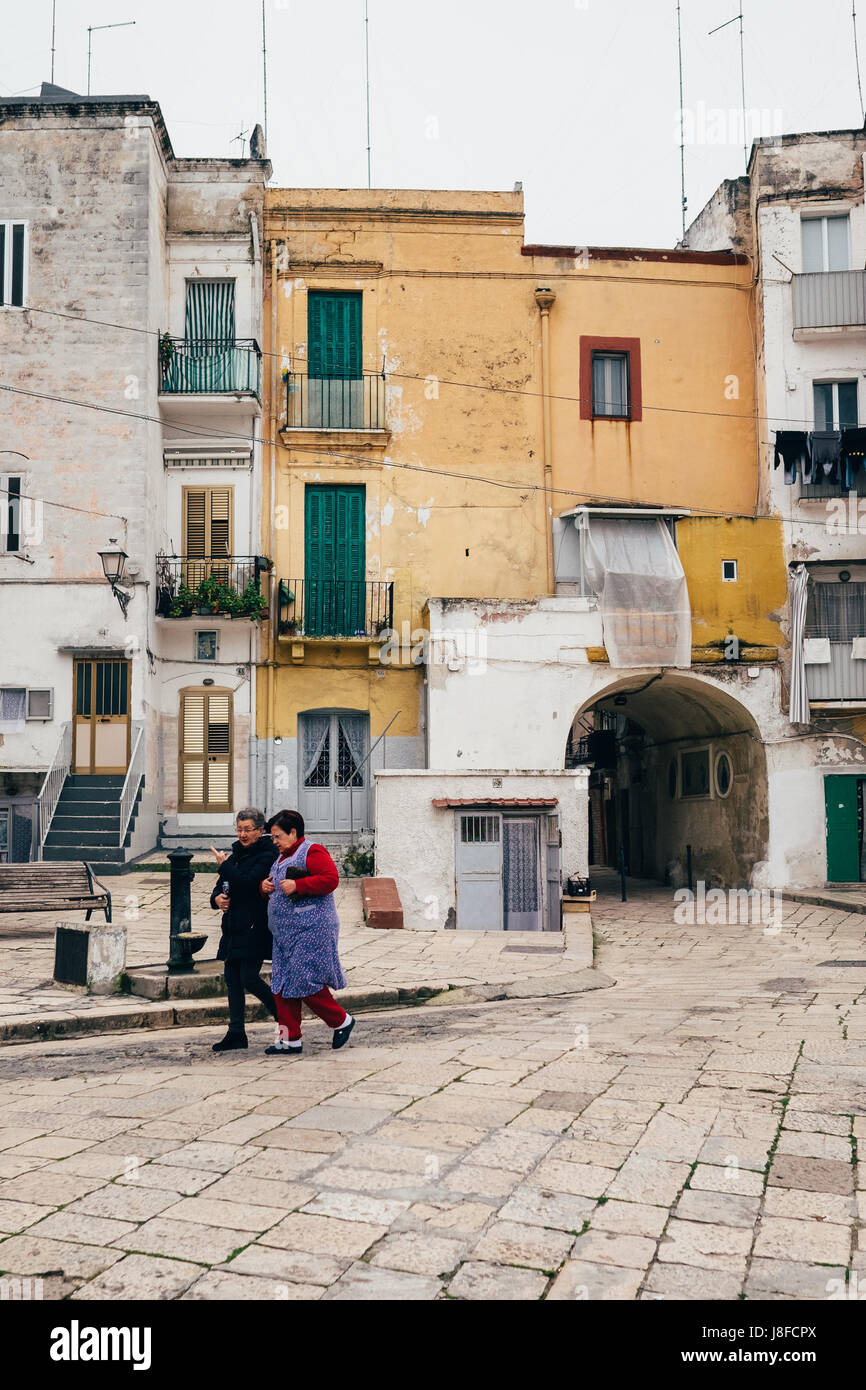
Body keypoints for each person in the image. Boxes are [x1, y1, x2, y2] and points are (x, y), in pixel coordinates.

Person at [261, 809, 354, 1056]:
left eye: (278, 836)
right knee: (281, 983)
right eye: (272, 837)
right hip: (285, 934)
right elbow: (275, 886)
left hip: (311, 928)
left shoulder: (312, 851)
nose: (274, 841)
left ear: (293, 833)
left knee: (304, 979)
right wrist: (265, 887)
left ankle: (341, 1021)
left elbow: (330, 879)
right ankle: (288, 1039)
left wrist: (299, 885)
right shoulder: (280, 857)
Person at [209, 807, 279, 1053]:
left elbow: (248, 883)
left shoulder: (267, 854)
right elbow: (222, 886)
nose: (242, 835)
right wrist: (217, 899)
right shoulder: (236, 853)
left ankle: (284, 1017)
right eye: (239, 829)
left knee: (249, 977)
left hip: (254, 924)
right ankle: (236, 1032)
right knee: (232, 979)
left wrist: (224, 865)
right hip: (232, 926)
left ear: (260, 831)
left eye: (247, 830)